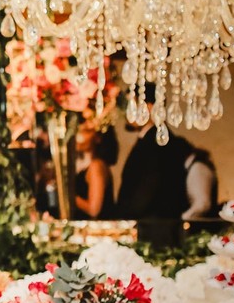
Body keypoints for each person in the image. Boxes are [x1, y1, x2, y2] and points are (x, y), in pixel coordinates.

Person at [116, 83, 193, 222]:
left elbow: (148, 187)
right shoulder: (148, 139)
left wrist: (127, 218)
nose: (127, 112)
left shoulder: (159, 141)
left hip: (152, 224)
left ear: (149, 107)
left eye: (131, 106)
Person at [73, 122, 117, 219]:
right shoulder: (88, 164)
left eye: (86, 132)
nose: (79, 136)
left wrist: (70, 197)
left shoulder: (96, 166)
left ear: (98, 138)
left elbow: (93, 210)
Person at [182, 147, 220, 220]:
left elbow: (203, 204)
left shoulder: (198, 168)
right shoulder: (201, 167)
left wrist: (184, 218)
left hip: (201, 225)